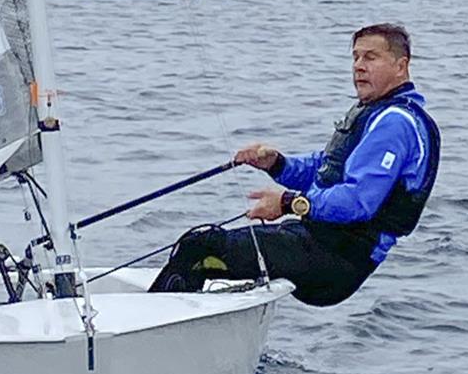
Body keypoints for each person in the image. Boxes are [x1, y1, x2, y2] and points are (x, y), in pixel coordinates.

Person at [149, 23, 440, 306]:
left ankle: (148, 333)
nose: (358, 66)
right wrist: (277, 164)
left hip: (340, 259)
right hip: (317, 240)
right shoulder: (376, 111)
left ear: (401, 66)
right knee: (200, 247)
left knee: (200, 247)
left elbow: (357, 202)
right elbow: (326, 169)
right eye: (355, 57)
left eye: (371, 57)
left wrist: (289, 203)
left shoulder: (396, 124)